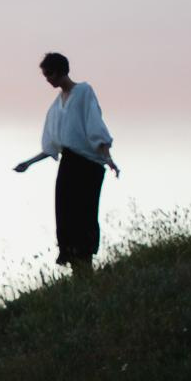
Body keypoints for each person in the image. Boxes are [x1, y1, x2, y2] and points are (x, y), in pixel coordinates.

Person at [13, 52, 118, 273]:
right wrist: (29, 163)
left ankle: (86, 266)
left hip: (87, 165)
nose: (48, 79)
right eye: (45, 75)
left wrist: (108, 158)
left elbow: (95, 126)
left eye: (49, 74)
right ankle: (77, 270)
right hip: (69, 165)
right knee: (66, 216)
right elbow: (53, 144)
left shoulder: (83, 92)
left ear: (60, 71)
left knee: (84, 214)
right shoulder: (56, 106)